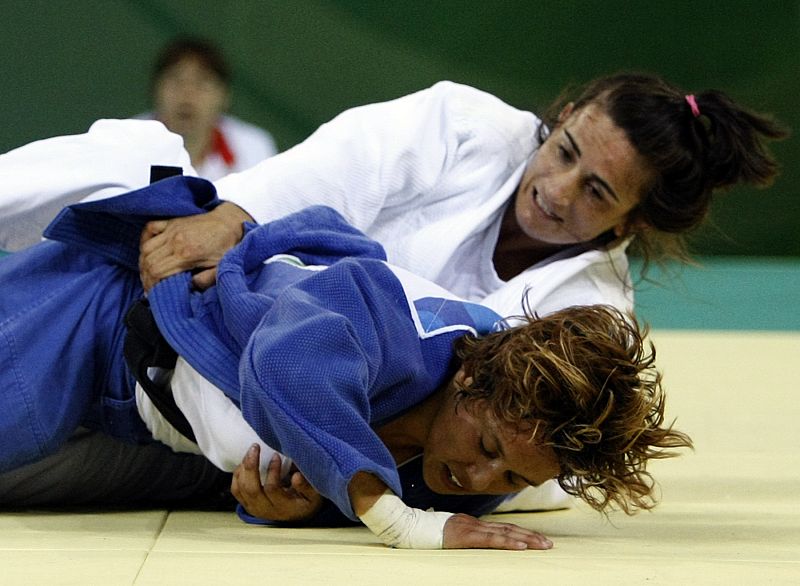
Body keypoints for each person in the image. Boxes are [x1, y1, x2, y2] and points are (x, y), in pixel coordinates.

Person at [0, 72, 785, 511]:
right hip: (201, 322)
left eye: (597, 191)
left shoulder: (593, 322)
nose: (556, 188)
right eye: (565, 150)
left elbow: (529, 472)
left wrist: (337, 493)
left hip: (249, 452)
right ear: (564, 115)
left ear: (634, 221)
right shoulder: (468, 126)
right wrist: (237, 216)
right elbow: (340, 169)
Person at [0, 178, 691, 548]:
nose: (480, 478)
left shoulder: (485, 473)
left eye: (511, 475)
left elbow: (291, 478)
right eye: (488, 448)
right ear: (472, 374)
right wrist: (389, 516)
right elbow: (285, 364)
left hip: (149, 433)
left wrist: (291, 511)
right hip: (99, 318)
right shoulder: (386, 319)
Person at [139, 37, 278, 180]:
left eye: (202, 82)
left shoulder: (253, 148)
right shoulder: (127, 143)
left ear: (224, 96)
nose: (187, 92)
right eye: (176, 79)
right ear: (155, 89)